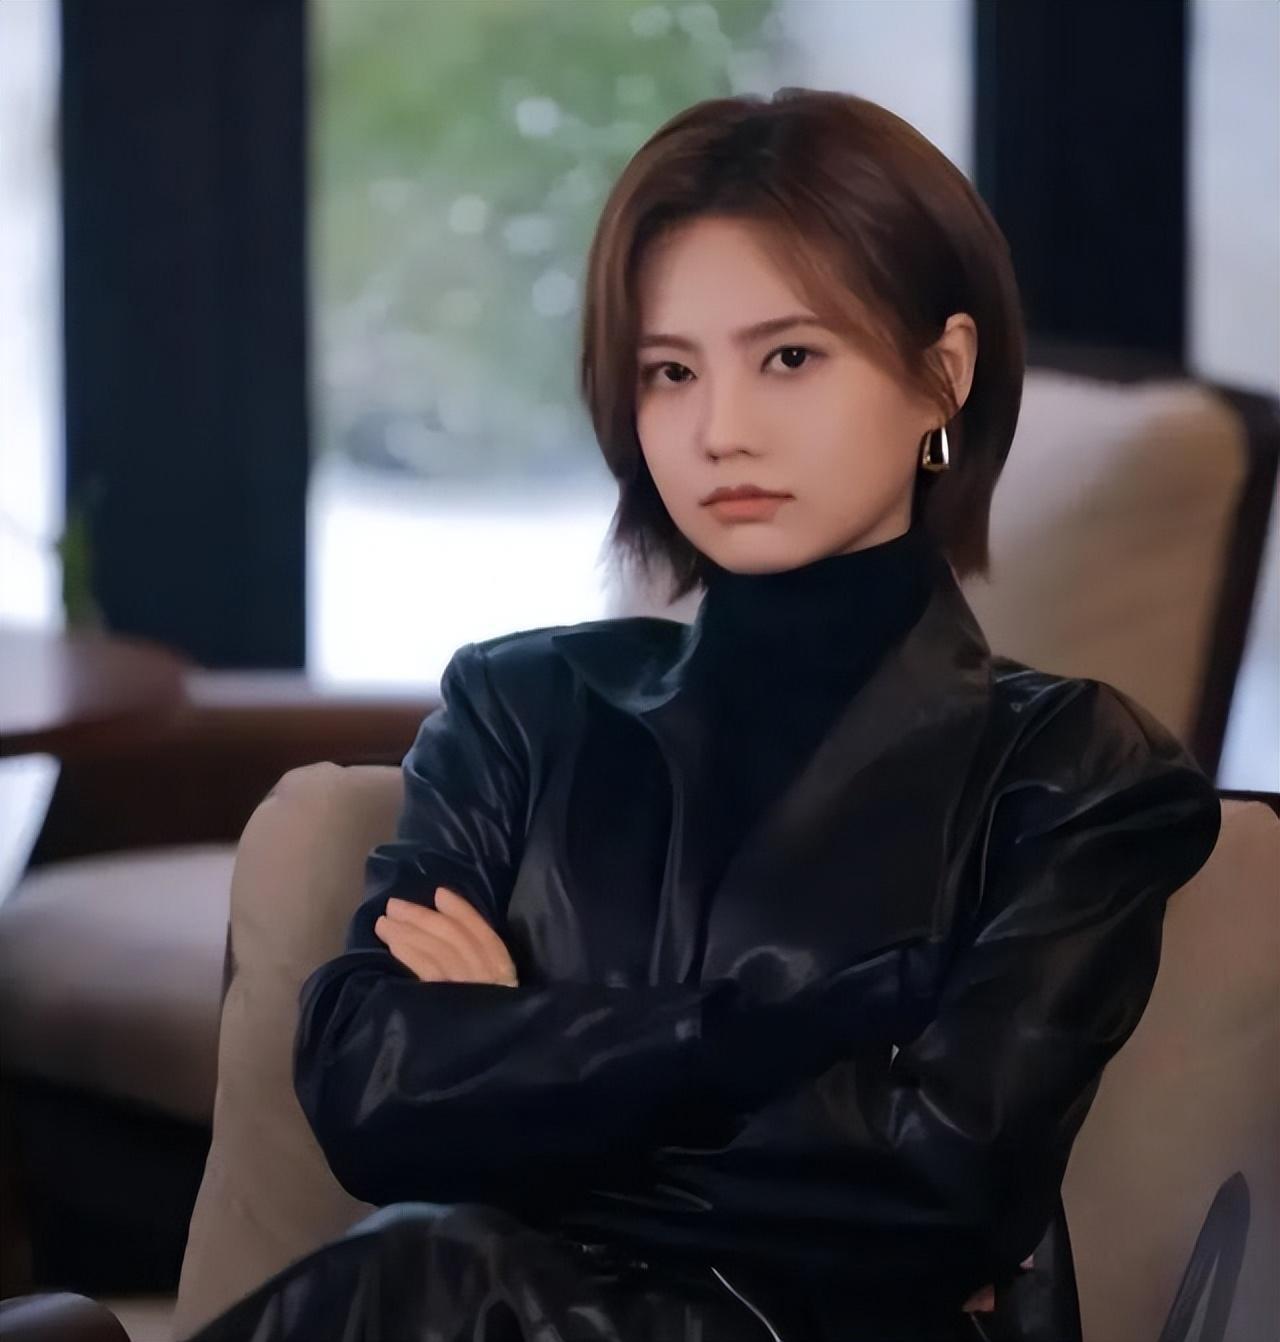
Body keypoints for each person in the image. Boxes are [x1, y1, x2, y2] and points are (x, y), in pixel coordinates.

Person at [184, 87, 1222, 1342]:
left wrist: (521, 1056)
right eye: (669, 372)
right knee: (436, 1269)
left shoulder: (1074, 768)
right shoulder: (520, 707)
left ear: (941, 373)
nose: (720, 431)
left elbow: (941, 1190)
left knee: (433, 1269)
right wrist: (764, 1038)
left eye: (789, 357)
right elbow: (368, 1090)